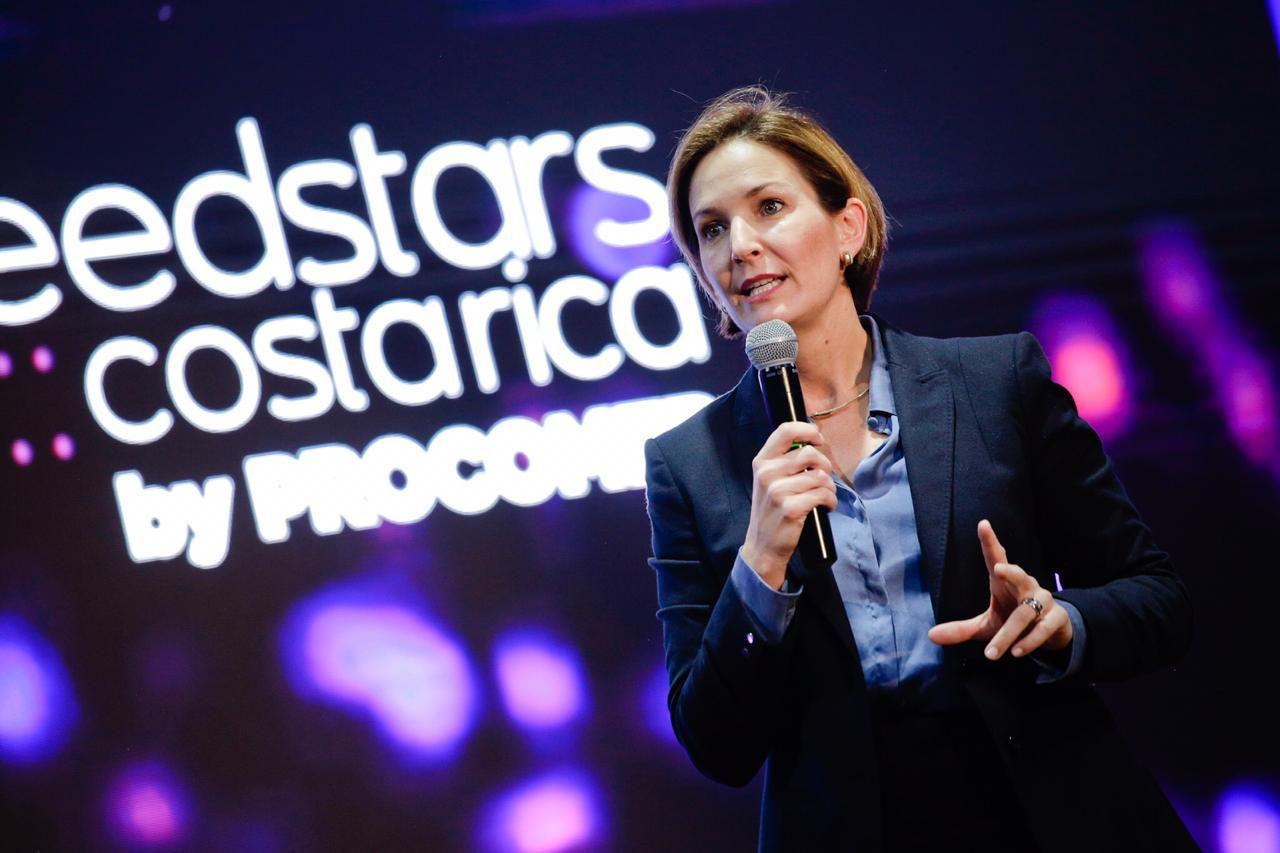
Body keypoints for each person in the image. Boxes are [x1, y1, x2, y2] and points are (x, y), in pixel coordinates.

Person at [644, 85, 1195, 852]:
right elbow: (716, 745)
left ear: (848, 227)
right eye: (712, 229)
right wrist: (760, 566)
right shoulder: (688, 463)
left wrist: (1058, 623)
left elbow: (1160, 603)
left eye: (769, 207)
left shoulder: (996, 380)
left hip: (1047, 809)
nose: (740, 245)